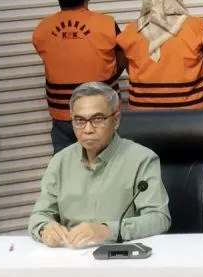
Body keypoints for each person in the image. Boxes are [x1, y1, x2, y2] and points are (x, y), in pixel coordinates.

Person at [28, 81, 171, 247]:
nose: (88, 129)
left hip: (120, 255)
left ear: (116, 120)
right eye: (79, 120)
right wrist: (44, 228)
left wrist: (106, 231)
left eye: (97, 119)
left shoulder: (142, 159)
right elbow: (39, 214)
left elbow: (159, 219)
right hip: (72, 256)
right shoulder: (60, 161)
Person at [32, 0, 126, 154]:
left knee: (66, 164)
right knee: (110, 163)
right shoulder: (107, 24)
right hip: (101, 111)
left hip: (64, 113)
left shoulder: (42, 29)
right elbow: (122, 57)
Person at [117, 0, 203, 109]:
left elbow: (127, 67)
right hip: (194, 113)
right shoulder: (196, 27)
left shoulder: (129, 31)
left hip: (143, 114)